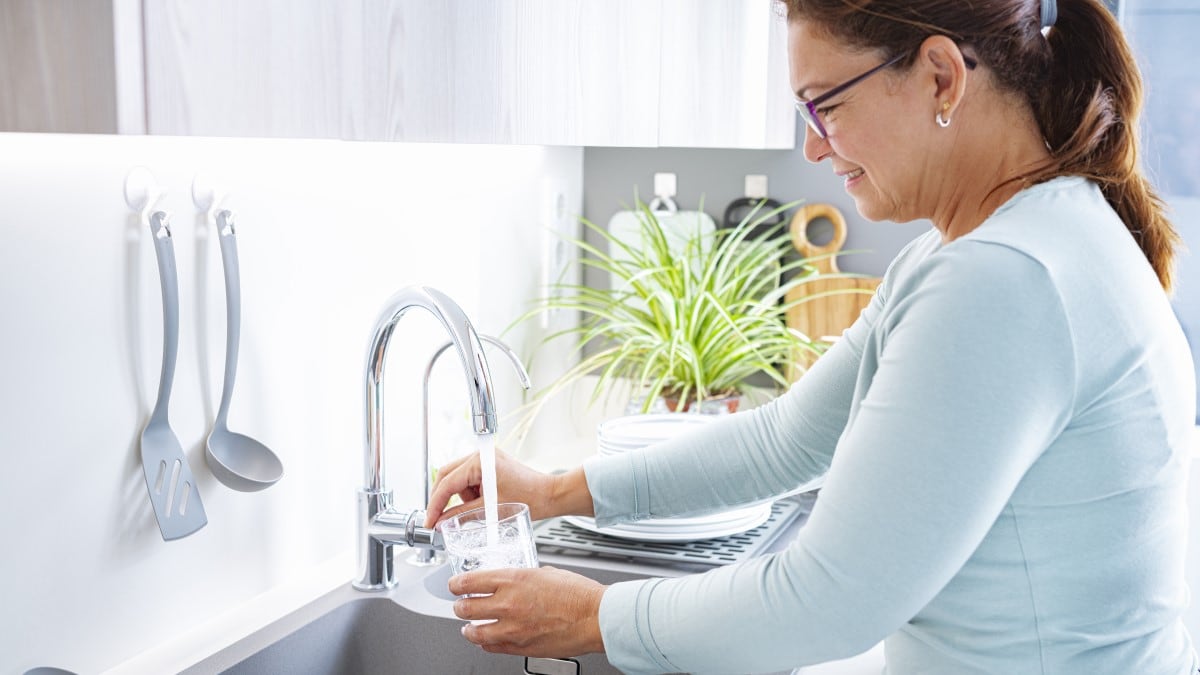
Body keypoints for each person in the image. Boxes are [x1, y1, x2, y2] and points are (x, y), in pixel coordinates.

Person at [424, 0, 1198, 672]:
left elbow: (831, 598)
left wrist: (594, 617)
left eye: (823, 104)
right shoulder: (993, 245)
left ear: (940, 77)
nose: (815, 147)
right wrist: (557, 491)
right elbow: (785, 441)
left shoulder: (1004, 278)